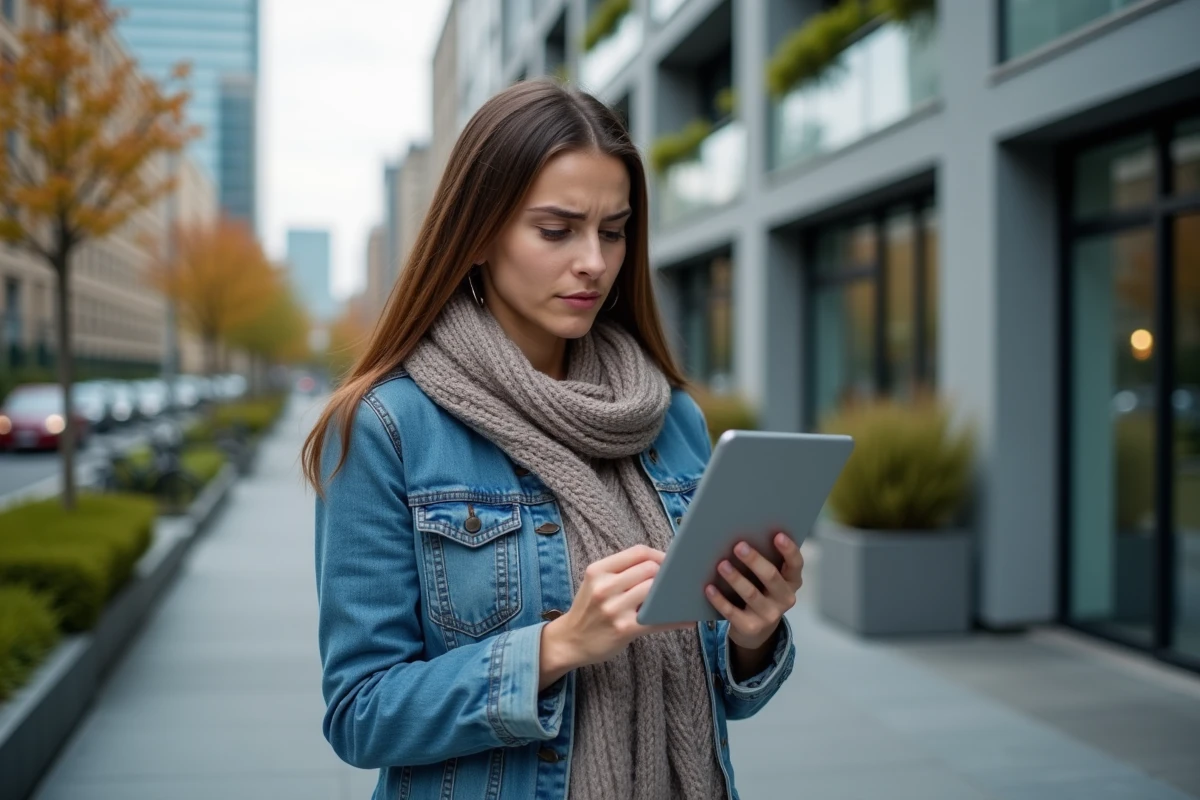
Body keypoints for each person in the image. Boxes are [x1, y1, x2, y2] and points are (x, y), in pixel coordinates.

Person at [303, 79, 803, 800]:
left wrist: (753, 632)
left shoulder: (671, 417)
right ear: (477, 235)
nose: (595, 262)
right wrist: (554, 647)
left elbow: (724, 691)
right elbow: (360, 714)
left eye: (613, 229)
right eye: (556, 229)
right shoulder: (385, 427)